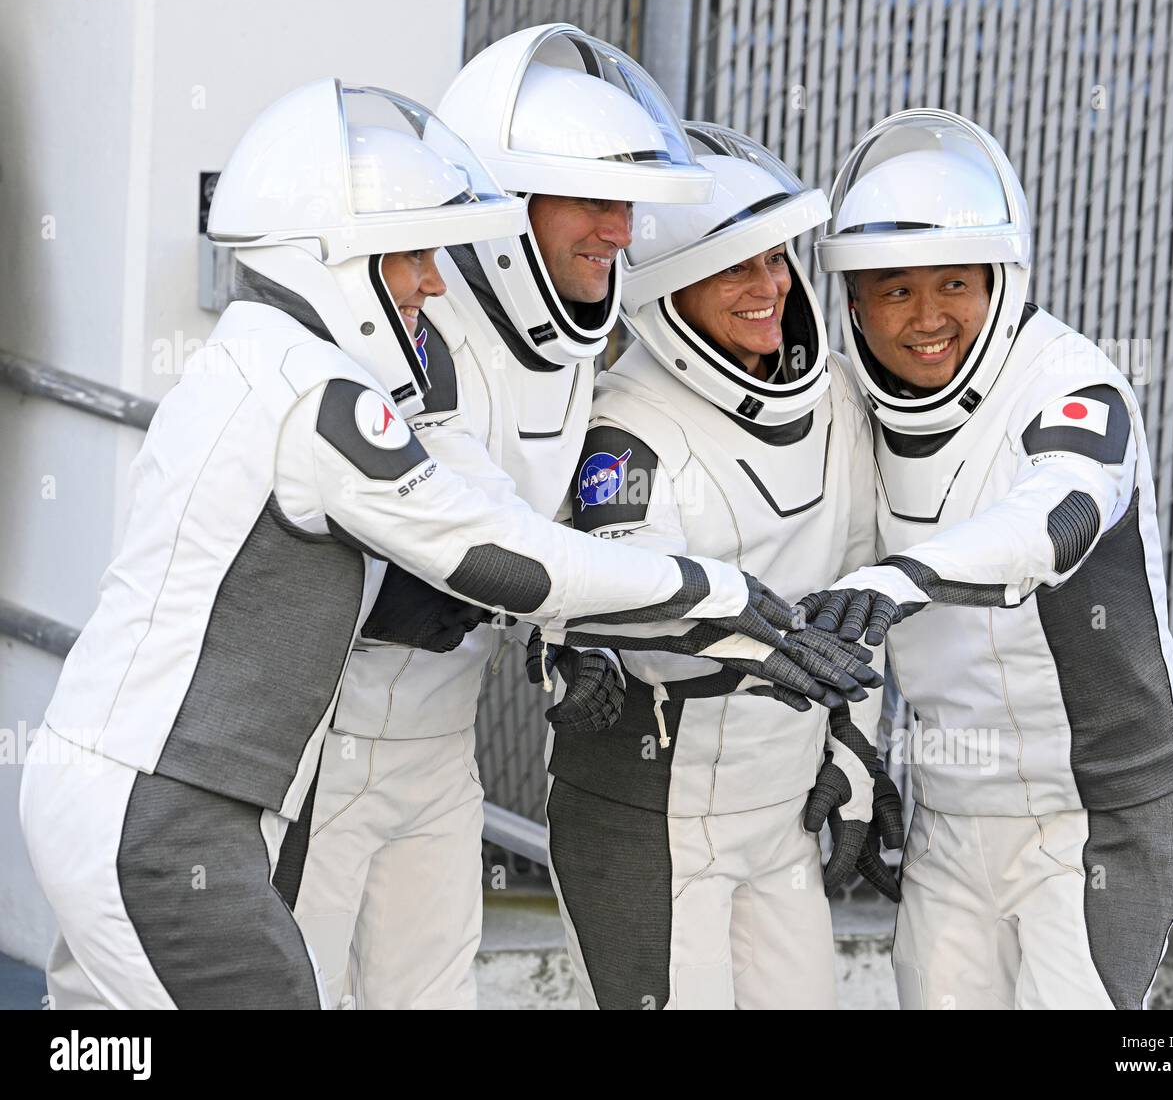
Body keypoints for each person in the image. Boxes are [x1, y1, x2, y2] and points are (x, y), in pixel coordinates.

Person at [16, 80, 871, 1010]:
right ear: (334, 258)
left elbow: (495, 516)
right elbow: (509, 557)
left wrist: (577, 632)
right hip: (164, 806)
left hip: (140, 787)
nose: (434, 279)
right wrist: (725, 598)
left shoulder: (269, 356)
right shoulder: (320, 396)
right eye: (409, 256)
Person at [287, 24, 728, 1011]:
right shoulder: (406, 330)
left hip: (445, 745)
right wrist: (713, 603)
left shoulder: (568, 353)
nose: (619, 233)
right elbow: (467, 539)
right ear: (504, 206)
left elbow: (548, 531)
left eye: (626, 204)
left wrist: (571, 648)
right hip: (324, 742)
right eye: (591, 201)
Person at [804, 108, 1173, 1010]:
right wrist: (861, 761)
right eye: (893, 290)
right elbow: (839, 590)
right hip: (950, 812)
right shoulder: (857, 402)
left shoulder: (1072, 381)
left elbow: (1055, 513)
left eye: (953, 283)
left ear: (1001, 278)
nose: (927, 317)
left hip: (1092, 816)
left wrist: (905, 578)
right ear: (854, 300)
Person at [546, 124, 892, 1010]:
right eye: (736, 267)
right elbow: (625, 596)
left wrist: (855, 746)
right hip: (651, 822)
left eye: (778, 259)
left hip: (778, 816)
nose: (771, 286)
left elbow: (863, 587)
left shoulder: (838, 402)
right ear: (666, 295)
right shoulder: (626, 429)